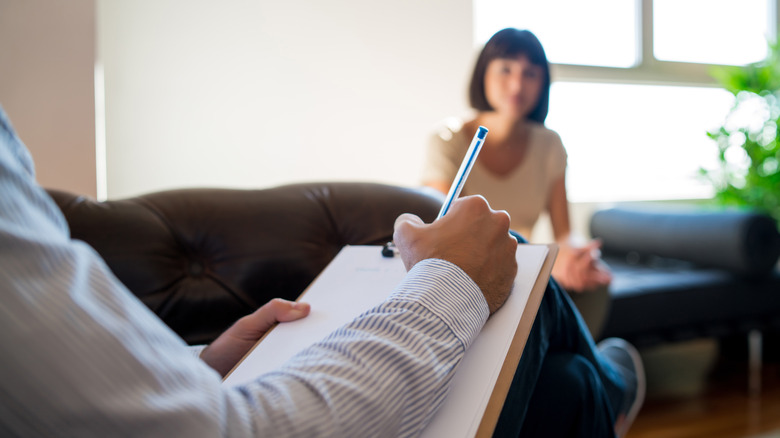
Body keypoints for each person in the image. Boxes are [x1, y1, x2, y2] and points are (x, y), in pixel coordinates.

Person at [0, 103, 641, 437]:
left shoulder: (547, 143)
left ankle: (605, 386)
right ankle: (617, 386)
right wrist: (453, 280)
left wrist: (201, 368)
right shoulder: (453, 135)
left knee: (566, 384)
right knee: (569, 358)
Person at [422, 28, 613, 337]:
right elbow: (446, 233)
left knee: (592, 278)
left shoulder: (550, 144)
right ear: (484, 73)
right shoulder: (448, 139)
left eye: (531, 73)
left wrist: (575, 254)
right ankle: (609, 378)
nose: (517, 84)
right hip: (470, 273)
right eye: (506, 69)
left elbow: (564, 232)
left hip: (525, 269)